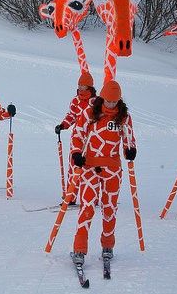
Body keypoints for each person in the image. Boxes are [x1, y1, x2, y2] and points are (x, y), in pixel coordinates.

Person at [68, 80, 136, 267]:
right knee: (87, 207)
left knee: (109, 208)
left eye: (114, 102)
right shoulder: (90, 111)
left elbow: (129, 137)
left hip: (112, 168)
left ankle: (108, 246)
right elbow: (78, 133)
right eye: (108, 101)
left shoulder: (123, 116)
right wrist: (76, 153)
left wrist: (130, 149)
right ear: (102, 97)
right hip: (90, 166)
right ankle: (79, 248)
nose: (111, 105)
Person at [54, 72, 96, 205]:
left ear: (89, 87)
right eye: (79, 86)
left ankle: (91, 198)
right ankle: (70, 197)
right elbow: (71, 116)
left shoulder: (96, 102)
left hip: (92, 139)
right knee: (73, 168)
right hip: (77, 139)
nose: (81, 88)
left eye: (84, 86)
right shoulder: (75, 101)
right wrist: (63, 125)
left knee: (90, 168)